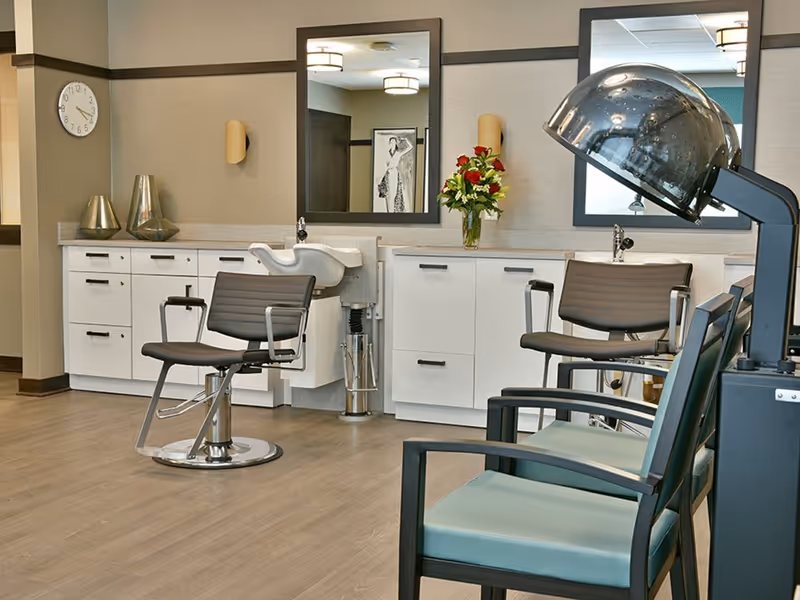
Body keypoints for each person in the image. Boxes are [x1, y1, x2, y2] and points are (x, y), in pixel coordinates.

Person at [377, 136, 414, 212]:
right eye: (391, 142)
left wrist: (405, 140)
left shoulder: (398, 153)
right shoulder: (386, 154)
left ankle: (393, 212)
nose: (392, 143)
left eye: (394, 142)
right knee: (387, 195)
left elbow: (410, 147)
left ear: (396, 143)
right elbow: (383, 165)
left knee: (394, 194)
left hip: (394, 173)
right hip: (387, 174)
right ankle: (389, 212)